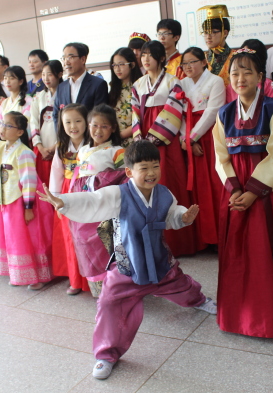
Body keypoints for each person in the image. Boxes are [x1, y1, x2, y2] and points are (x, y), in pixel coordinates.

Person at [38, 140, 217, 380]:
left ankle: (200, 300)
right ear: (130, 172)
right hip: (126, 266)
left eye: (155, 166)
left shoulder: (164, 194)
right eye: (144, 168)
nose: (151, 173)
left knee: (181, 284)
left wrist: (183, 216)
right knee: (109, 304)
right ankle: (106, 354)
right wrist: (65, 202)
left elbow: (172, 213)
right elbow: (93, 201)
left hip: (158, 261)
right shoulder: (118, 194)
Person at [212, 48, 273, 337]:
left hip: (270, 192)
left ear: (260, 77)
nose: (240, 78)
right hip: (237, 192)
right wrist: (235, 189)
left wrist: (253, 191)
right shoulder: (224, 114)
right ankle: (241, 315)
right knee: (239, 254)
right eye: (234, 73)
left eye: (247, 72)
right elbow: (220, 157)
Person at [131, 40, 201, 256]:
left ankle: (177, 242)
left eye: (151, 55)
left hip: (165, 143)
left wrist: (152, 140)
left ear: (162, 58)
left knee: (168, 184)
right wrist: (139, 141)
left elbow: (173, 111)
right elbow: (135, 114)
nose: (146, 59)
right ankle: (150, 243)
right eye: (143, 55)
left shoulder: (173, 82)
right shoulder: (138, 84)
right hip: (144, 140)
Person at [0, 111, 52, 289]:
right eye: (2, 124)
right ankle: (18, 272)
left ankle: (36, 276)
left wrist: (28, 207)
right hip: (4, 200)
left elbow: (29, 181)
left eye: (8, 125)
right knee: (10, 238)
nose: (2, 128)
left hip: (20, 201)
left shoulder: (24, 152)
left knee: (27, 237)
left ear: (19, 132)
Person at [68, 105, 127, 296]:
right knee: (85, 243)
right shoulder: (83, 150)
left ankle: (114, 286)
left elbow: (125, 179)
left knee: (104, 243)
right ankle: (97, 288)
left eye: (104, 126)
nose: (98, 130)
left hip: (104, 206)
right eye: (94, 125)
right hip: (83, 204)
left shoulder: (117, 151)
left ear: (113, 129)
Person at [177, 47, 226, 247]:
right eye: (185, 64)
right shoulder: (181, 84)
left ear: (204, 61)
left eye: (192, 62)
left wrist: (192, 138)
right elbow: (179, 114)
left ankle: (220, 237)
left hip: (209, 136)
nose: (188, 67)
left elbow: (212, 111)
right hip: (188, 136)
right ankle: (203, 239)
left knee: (215, 186)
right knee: (197, 188)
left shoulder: (216, 81)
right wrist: (185, 139)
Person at [50, 103, 91, 295]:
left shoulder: (92, 145)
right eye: (68, 122)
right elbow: (56, 176)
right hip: (67, 194)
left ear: (86, 122)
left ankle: (94, 279)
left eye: (77, 121)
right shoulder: (61, 148)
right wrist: (56, 200)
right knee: (70, 237)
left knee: (89, 236)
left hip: (88, 191)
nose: (73, 126)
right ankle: (75, 279)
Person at [52, 42, 109, 127]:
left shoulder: (98, 84)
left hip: (90, 138)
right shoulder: (61, 87)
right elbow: (56, 115)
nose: (66, 62)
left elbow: (100, 116)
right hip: (68, 139)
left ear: (83, 59)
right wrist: (63, 137)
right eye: (64, 58)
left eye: (70, 57)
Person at [30, 60, 63, 185]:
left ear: (59, 74)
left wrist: (56, 146)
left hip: (60, 146)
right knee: (43, 183)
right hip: (42, 147)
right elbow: (33, 122)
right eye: (43, 74)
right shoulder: (39, 97)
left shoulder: (66, 93)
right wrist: (40, 146)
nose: (46, 78)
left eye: (49, 74)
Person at [108, 47, 143, 147]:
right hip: (115, 142)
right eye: (114, 65)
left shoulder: (140, 87)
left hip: (136, 140)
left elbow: (143, 117)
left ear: (132, 65)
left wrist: (121, 135)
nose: (117, 69)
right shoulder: (113, 90)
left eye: (121, 64)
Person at [198, 5, 236, 87]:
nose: (208, 36)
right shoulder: (202, 58)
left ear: (225, 33)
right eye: (205, 32)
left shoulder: (236, 57)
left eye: (214, 32)